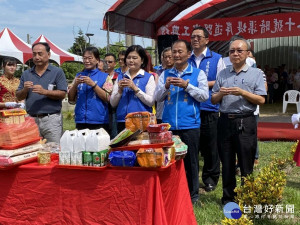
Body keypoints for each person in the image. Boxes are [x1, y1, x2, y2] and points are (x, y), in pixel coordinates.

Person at [211, 38, 266, 205]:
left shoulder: (256, 73)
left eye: (239, 50)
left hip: (245, 121)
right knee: (226, 162)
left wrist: (243, 93)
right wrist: (221, 94)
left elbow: (261, 100)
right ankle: (228, 198)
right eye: (231, 51)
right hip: (225, 121)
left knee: (246, 162)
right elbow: (213, 99)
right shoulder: (223, 73)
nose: (235, 54)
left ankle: (247, 197)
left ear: (247, 53)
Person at [155, 39, 209, 204]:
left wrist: (187, 86)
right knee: (170, 160)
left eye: (180, 52)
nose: (176, 55)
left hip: (190, 125)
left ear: (188, 54)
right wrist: (164, 87)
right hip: (169, 125)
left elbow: (204, 96)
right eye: (174, 52)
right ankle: (171, 193)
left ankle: (193, 196)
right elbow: (156, 98)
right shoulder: (165, 74)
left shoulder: (198, 73)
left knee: (191, 161)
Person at [188, 26, 225, 192]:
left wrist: (197, 84)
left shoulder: (216, 58)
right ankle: (190, 178)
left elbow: (221, 82)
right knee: (192, 146)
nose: (195, 39)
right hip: (189, 108)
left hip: (209, 108)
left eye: (198, 37)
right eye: (193, 37)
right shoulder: (185, 59)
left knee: (211, 146)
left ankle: (210, 179)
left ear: (207, 39)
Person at [16, 42, 68, 143]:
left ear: (48, 55)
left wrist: (45, 92)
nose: (36, 57)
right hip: (31, 119)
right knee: (33, 150)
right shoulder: (26, 74)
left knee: (54, 150)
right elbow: (18, 96)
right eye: (34, 54)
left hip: (51, 119)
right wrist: (25, 90)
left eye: (40, 54)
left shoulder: (57, 72)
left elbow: (62, 94)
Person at [110, 45, 156, 133]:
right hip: (122, 121)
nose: (131, 60)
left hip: (142, 121)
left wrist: (134, 88)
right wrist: (120, 90)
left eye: (135, 58)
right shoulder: (120, 77)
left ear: (142, 60)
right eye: (129, 58)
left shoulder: (148, 77)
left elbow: (151, 102)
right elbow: (113, 103)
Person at [68, 47, 112, 131]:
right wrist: (75, 85)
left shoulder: (105, 77)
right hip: (81, 120)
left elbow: (108, 98)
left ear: (97, 60)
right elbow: (71, 99)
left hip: (99, 121)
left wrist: (93, 85)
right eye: (84, 58)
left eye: (90, 58)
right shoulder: (78, 75)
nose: (87, 61)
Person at [156, 47, 174, 124]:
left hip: (173, 112)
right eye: (165, 57)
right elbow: (157, 95)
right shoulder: (159, 73)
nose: (167, 59)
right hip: (161, 113)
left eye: (170, 57)